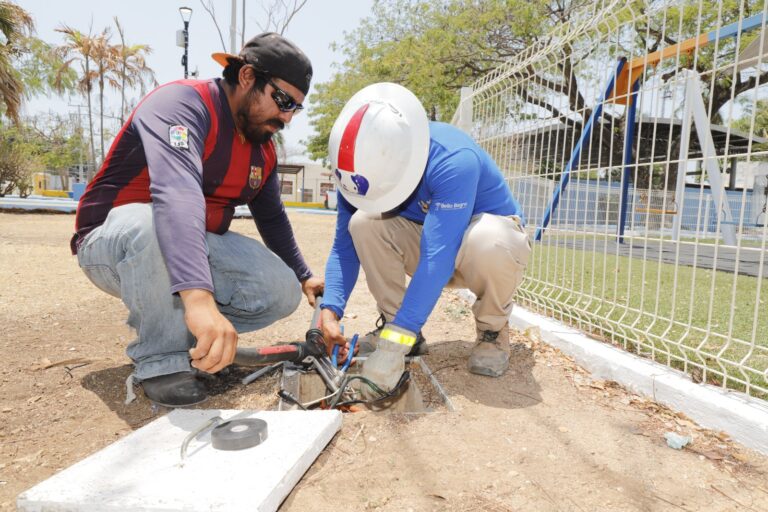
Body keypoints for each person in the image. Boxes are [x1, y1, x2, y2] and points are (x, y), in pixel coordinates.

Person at [70, 33, 323, 407]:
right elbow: (176, 194)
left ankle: (199, 342)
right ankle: (162, 361)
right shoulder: (183, 104)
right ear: (248, 77)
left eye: (295, 109)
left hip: (188, 244)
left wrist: (303, 276)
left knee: (280, 287)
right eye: (283, 101)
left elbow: (271, 217)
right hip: (115, 241)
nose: (286, 117)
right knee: (152, 223)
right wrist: (199, 299)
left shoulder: (264, 149)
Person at [319, 83, 531, 392]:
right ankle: (402, 332)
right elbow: (343, 247)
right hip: (434, 244)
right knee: (363, 224)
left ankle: (492, 330)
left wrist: (391, 351)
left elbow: (438, 256)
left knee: (490, 238)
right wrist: (330, 309)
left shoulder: (453, 159)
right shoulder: (356, 170)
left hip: (481, 248)